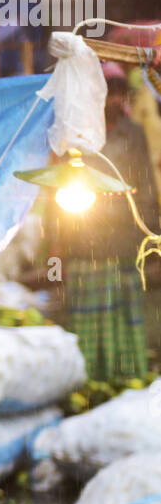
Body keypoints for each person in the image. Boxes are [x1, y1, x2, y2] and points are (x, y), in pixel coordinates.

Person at [51, 62, 160, 378]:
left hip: (124, 241)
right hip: (85, 241)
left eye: (118, 94)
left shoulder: (134, 134)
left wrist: (151, 241)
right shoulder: (76, 137)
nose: (112, 101)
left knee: (125, 314)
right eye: (106, 93)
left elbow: (147, 190)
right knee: (88, 317)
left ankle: (126, 376)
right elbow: (59, 189)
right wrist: (57, 244)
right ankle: (89, 379)